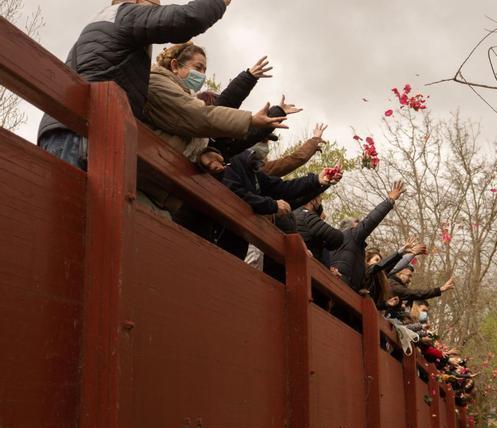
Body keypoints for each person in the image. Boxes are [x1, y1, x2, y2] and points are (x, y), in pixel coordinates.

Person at [38, 0, 233, 170]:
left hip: (70, 128)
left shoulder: (106, 23)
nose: (157, 9)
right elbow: (189, 18)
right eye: (154, 5)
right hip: (82, 133)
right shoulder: (126, 14)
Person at [140, 42, 287, 215]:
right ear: (174, 65)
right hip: (144, 183)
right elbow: (201, 117)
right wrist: (251, 120)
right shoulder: (157, 82)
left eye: (204, 70)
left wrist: (204, 156)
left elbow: (188, 140)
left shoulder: (187, 98)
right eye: (198, 67)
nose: (202, 75)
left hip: (161, 193)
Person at [216, 144, 342, 266]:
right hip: (219, 240)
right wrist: (271, 205)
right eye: (264, 140)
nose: (266, 148)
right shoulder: (231, 161)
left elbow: (283, 189)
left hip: (239, 245)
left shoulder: (255, 172)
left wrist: (317, 181)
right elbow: (234, 192)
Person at [328, 181, 405, 292]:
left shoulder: (335, 241)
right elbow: (371, 220)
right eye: (357, 223)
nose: (361, 224)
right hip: (342, 291)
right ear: (350, 227)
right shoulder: (351, 235)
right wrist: (390, 201)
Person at [286, 194, 344, 262]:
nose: (320, 202)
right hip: (306, 265)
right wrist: (324, 243)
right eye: (319, 199)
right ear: (313, 201)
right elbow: (337, 237)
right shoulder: (306, 216)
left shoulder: (293, 212)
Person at [389, 264, 455, 302]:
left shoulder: (400, 287)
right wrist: (439, 290)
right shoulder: (393, 285)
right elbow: (415, 293)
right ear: (399, 273)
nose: (410, 280)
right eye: (409, 276)